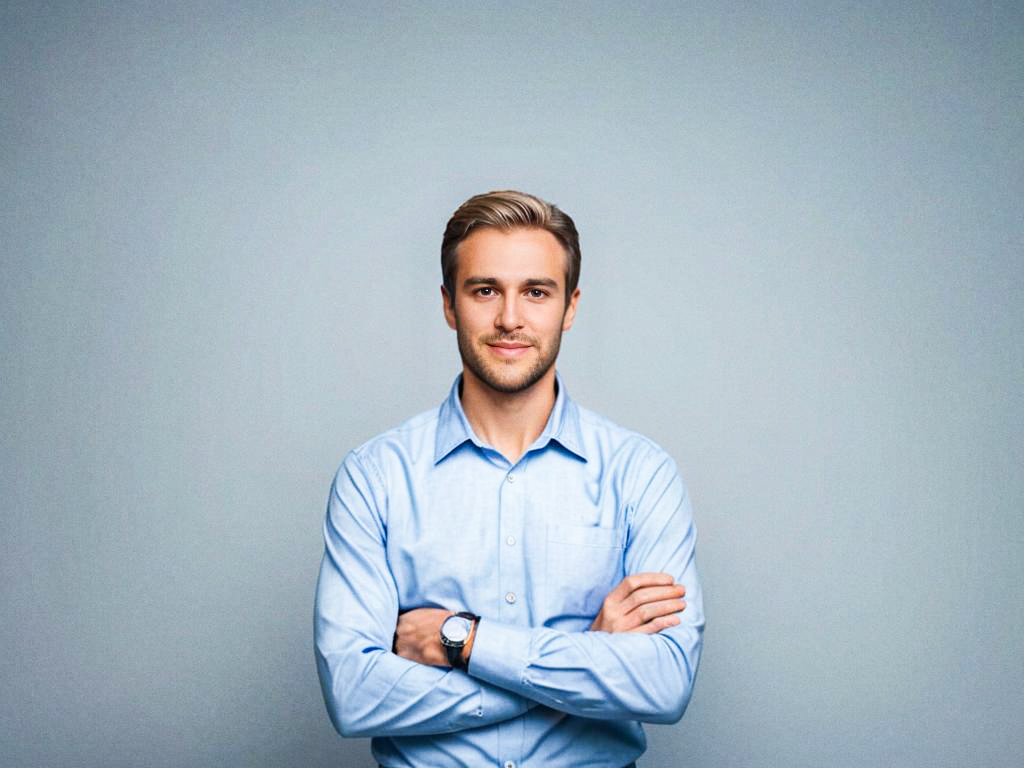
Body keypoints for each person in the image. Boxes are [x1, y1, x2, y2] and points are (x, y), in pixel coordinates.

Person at [314, 190, 704, 767]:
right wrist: (588, 660)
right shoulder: (375, 477)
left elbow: (665, 683)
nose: (510, 318)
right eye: (485, 290)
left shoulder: (641, 475)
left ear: (570, 307)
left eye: (536, 292)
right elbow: (353, 694)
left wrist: (464, 641)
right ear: (450, 305)